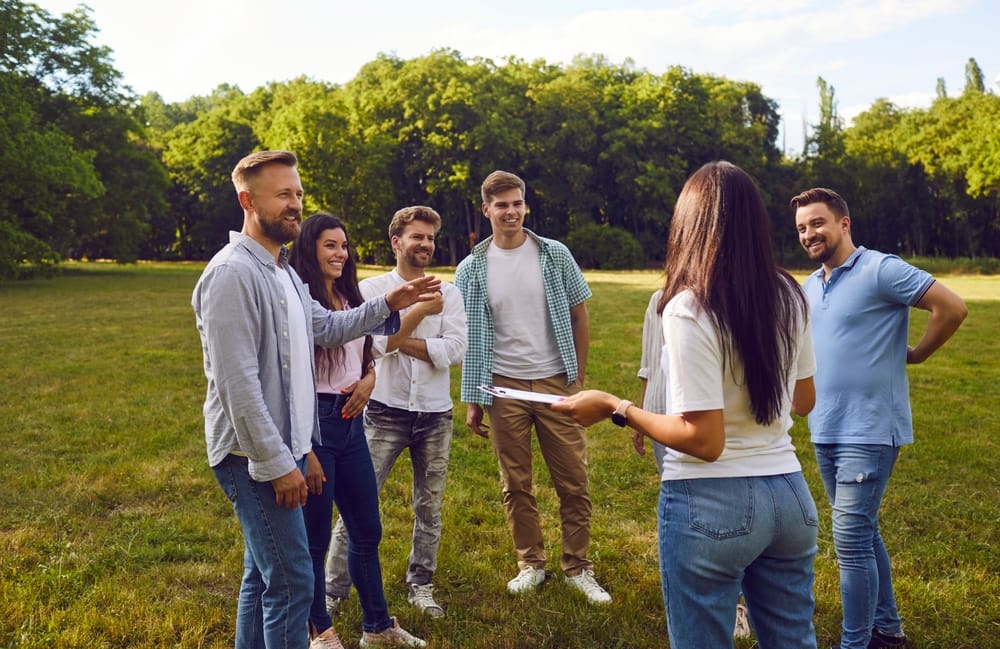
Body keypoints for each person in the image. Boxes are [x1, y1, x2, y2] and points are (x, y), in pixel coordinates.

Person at [553, 160, 819, 649]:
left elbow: (704, 440)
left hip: (711, 503)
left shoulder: (688, 306)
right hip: (790, 496)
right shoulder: (791, 293)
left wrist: (617, 406)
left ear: (688, 223)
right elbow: (804, 400)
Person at [192, 149, 439, 649]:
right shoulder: (232, 274)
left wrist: (388, 303)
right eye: (283, 194)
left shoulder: (281, 272)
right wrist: (280, 463)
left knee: (263, 576)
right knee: (292, 581)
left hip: (284, 447)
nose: (295, 204)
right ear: (247, 199)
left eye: (298, 193)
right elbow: (237, 384)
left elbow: (327, 328)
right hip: (251, 454)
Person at [791, 188, 968, 649]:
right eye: (802, 228)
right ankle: (888, 633)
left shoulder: (880, 269)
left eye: (817, 223)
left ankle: (856, 644)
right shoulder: (810, 286)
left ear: (843, 223)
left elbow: (951, 307)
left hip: (868, 431)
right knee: (863, 534)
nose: (810, 234)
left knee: (849, 544)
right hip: (825, 428)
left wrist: (918, 355)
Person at [455, 170, 611, 605]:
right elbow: (471, 336)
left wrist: (577, 377)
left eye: (517, 203)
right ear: (486, 210)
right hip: (503, 386)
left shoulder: (554, 254)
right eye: (502, 205)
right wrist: (474, 400)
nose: (511, 211)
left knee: (573, 479)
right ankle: (531, 564)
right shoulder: (471, 268)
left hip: (555, 382)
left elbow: (581, 315)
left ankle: (578, 566)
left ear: (526, 205)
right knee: (515, 482)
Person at [290, 213, 427, 649]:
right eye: (330, 245)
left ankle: (378, 626)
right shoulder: (300, 299)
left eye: (344, 246)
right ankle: (320, 629)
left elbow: (365, 347)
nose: (340, 254)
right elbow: (329, 338)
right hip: (317, 423)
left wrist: (368, 378)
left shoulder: (348, 294)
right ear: (310, 248)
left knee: (367, 529)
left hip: (351, 425)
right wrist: (305, 447)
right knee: (313, 539)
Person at [324, 206, 467, 619]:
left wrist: (392, 337)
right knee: (356, 503)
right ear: (396, 242)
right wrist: (419, 314)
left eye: (430, 238)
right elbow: (369, 348)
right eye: (416, 236)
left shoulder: (451, 293)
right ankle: (333, 590)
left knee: (430, 507)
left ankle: (421, 584)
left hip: (435, 414)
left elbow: (454, 351)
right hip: (384, 411)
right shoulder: (370, 292)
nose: (424, 244)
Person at [632, 287, 753, 641]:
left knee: (723, 519)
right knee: (686, 518)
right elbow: (649, 362)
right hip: (661, 420)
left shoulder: (720, 300)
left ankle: (737, 605)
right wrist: (641, 417)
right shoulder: (659, 299)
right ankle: (699, 603)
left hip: (702, 420)